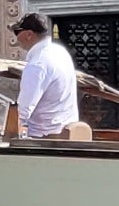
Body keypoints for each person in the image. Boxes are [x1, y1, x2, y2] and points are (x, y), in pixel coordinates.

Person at [10, 11, 80, 143]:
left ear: (28, 34)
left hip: (44, 138)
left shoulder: (37, 64)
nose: (16, 39)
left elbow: (23, 110)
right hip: (63, 131)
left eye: (16, 32)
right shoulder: (60, 52)